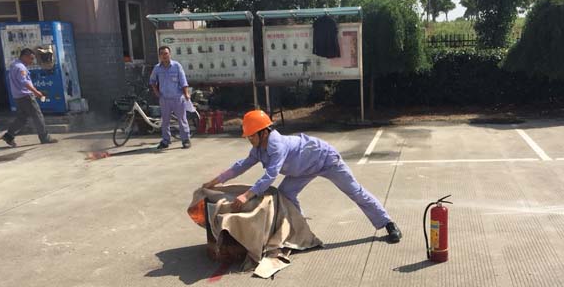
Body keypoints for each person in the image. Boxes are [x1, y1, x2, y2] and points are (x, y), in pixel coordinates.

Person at [202, 110, 402, 243]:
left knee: (355, 192)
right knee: (286, 194)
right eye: (248, 136)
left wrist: (246, 195)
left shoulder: (276, 145)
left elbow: (270, 175)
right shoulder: (258, 149)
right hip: (301, 171)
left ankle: (388, 224)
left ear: (264, 132)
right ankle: (301, 231)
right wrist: (217, 181)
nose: (249, 139)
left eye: (251, 135)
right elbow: (241, 165)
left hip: (326, 160)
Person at [2, 48, 57, 147]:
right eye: (31, 59)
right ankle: (45, 137)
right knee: (38, 116)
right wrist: (36, 92)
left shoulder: (14, 65)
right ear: (24, 57)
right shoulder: (21, 68)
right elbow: (25, 82)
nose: (32, 61)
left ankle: (9, 136)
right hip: (26, 96)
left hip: (18, 96)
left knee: (22, 118)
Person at [149, 45, 191, 149]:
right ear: (159, 56)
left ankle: (185, 140)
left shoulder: (177, 66)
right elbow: (152, 81)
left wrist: (186, 94)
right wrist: (156, 92)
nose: (164, 56)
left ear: (170, 54)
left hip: (177, 98)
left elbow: (183, 81)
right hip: (164, 99)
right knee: (165, 121)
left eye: (166, 53)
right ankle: (165, 141)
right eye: (162, 54)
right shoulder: (157, 68)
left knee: (182, 120)